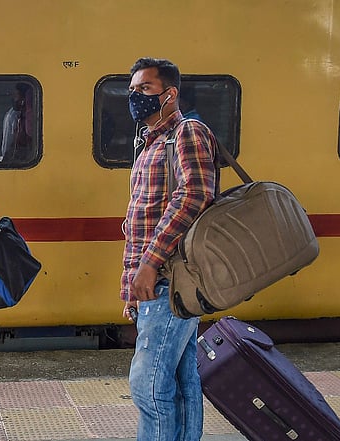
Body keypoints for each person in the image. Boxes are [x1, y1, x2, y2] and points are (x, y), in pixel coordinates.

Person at [120, 57, 217, 441]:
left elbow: (195, 194)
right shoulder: (150, 142)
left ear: (169, 93)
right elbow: (139, 219)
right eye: (132, 90)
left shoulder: (186, 132)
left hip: (169, 278)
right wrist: (131, 284)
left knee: (149, 384)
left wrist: (149, 264)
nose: (135, 97)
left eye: (144, 89)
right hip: (155, 280)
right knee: (179, 379)